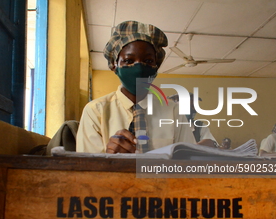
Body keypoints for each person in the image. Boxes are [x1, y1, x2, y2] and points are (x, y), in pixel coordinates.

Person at [76, 21, 196, 153]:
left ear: (156, 68)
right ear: (114, 66)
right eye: (128, 60)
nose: (139, 67)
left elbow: (188, 160)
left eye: (148, 61)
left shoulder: (173, 111)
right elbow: (86, 168)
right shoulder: (96, 111)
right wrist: (109, 158)